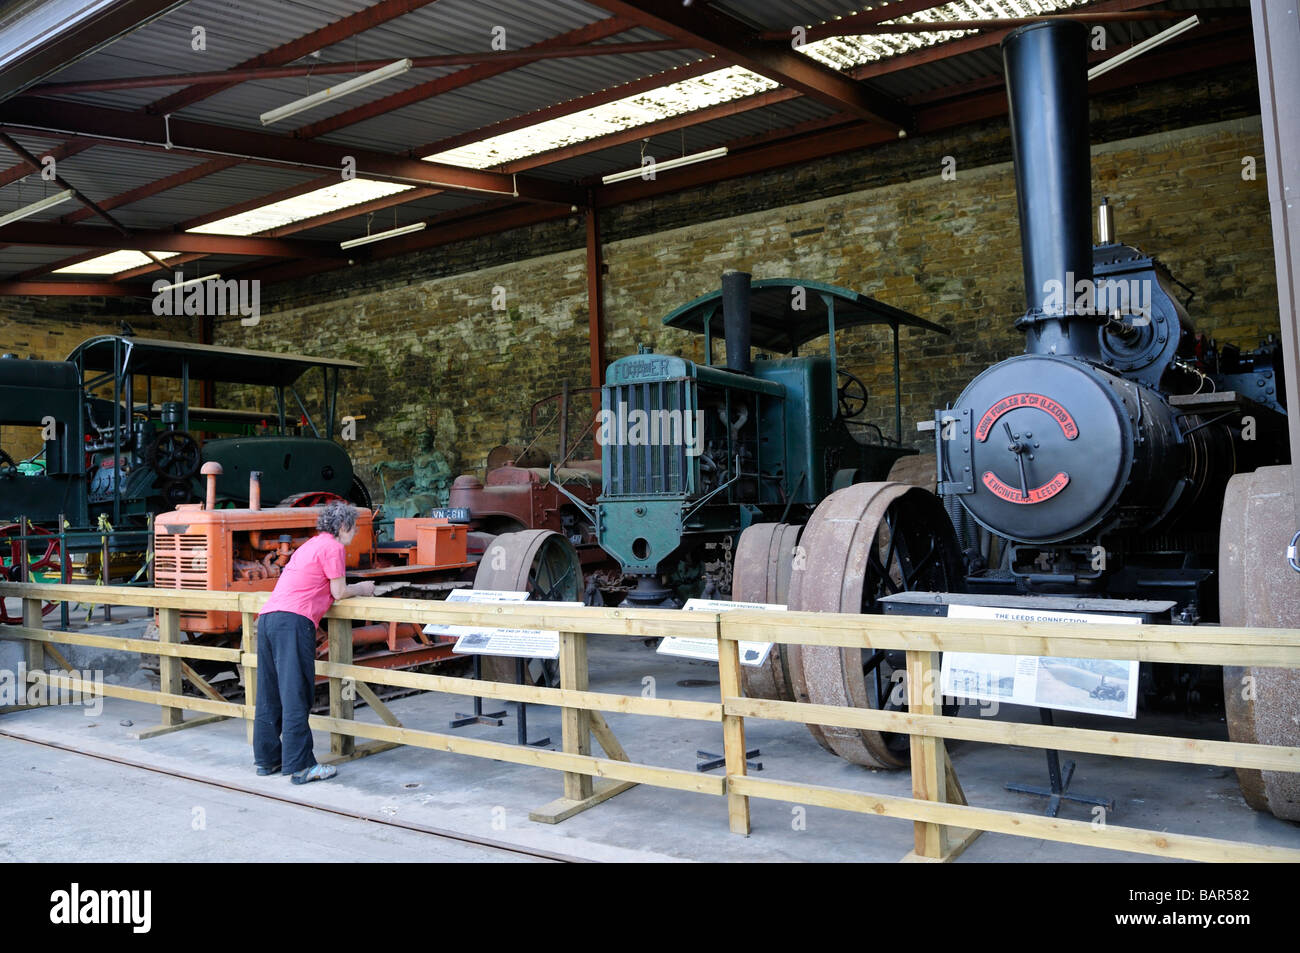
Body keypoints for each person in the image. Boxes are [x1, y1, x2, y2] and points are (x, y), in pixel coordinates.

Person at [253, 502, 376, 783]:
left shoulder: (310, 544)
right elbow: (340, 591)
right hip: (294, 622)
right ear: (343, 527)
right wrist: (364, 588)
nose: (355, 534)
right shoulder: (333, 547)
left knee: (269, 692)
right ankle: (300, 766)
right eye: (354, 529)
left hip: (269, 618)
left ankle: (267, 759)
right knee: (296, 691)